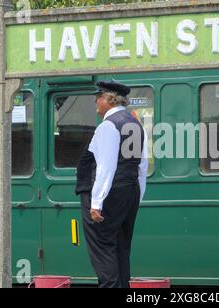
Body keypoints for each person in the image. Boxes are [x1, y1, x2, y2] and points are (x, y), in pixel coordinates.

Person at [75, 80, 148, 288]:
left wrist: (96, 202)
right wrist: (137, 196)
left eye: (98, 97)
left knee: (102, 246)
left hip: (108, 194)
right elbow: (141, 165)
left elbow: (105, 166)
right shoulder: (134, 124)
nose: (95, 102)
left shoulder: (109, 125)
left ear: (109, 99)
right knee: (121, 247)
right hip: (129, 191)